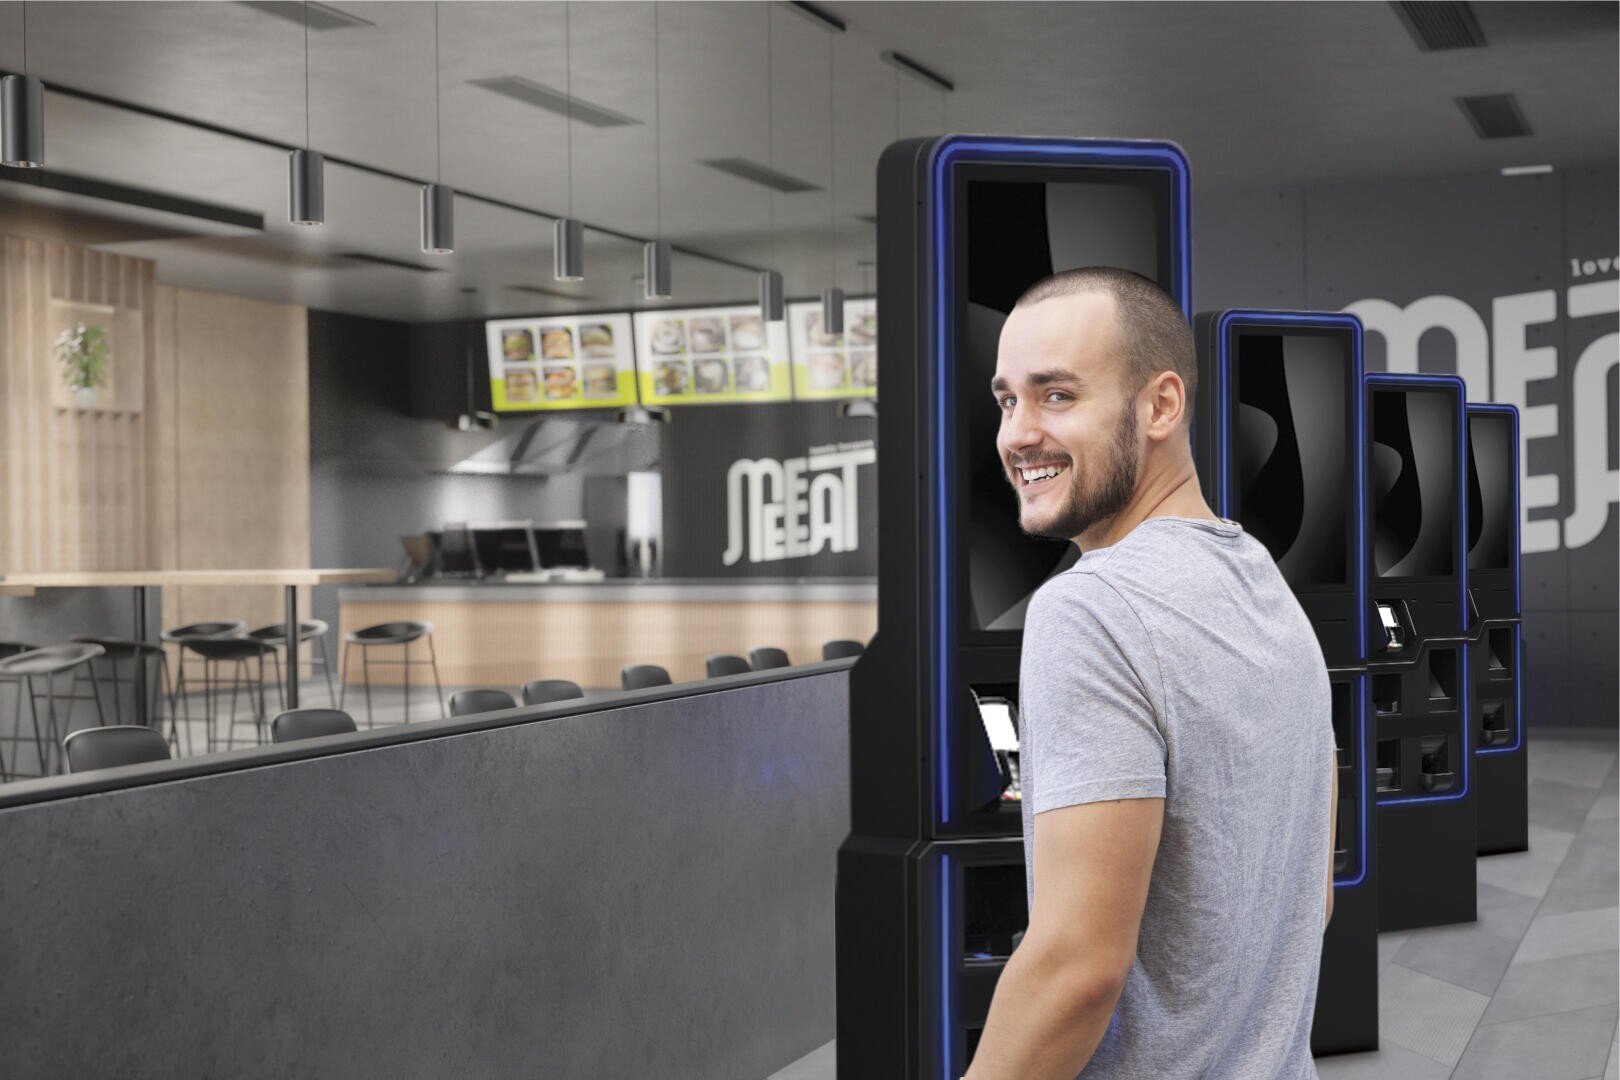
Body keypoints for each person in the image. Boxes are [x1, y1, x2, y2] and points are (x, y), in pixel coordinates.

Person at [964, 268, 1337, 1079]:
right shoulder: (1263, 582)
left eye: (1057, 395)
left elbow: (1075, 967)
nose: (1017, 434)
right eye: (1006, 400)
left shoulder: (1090, 609)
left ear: (1161, 406)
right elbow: (1311, 897)